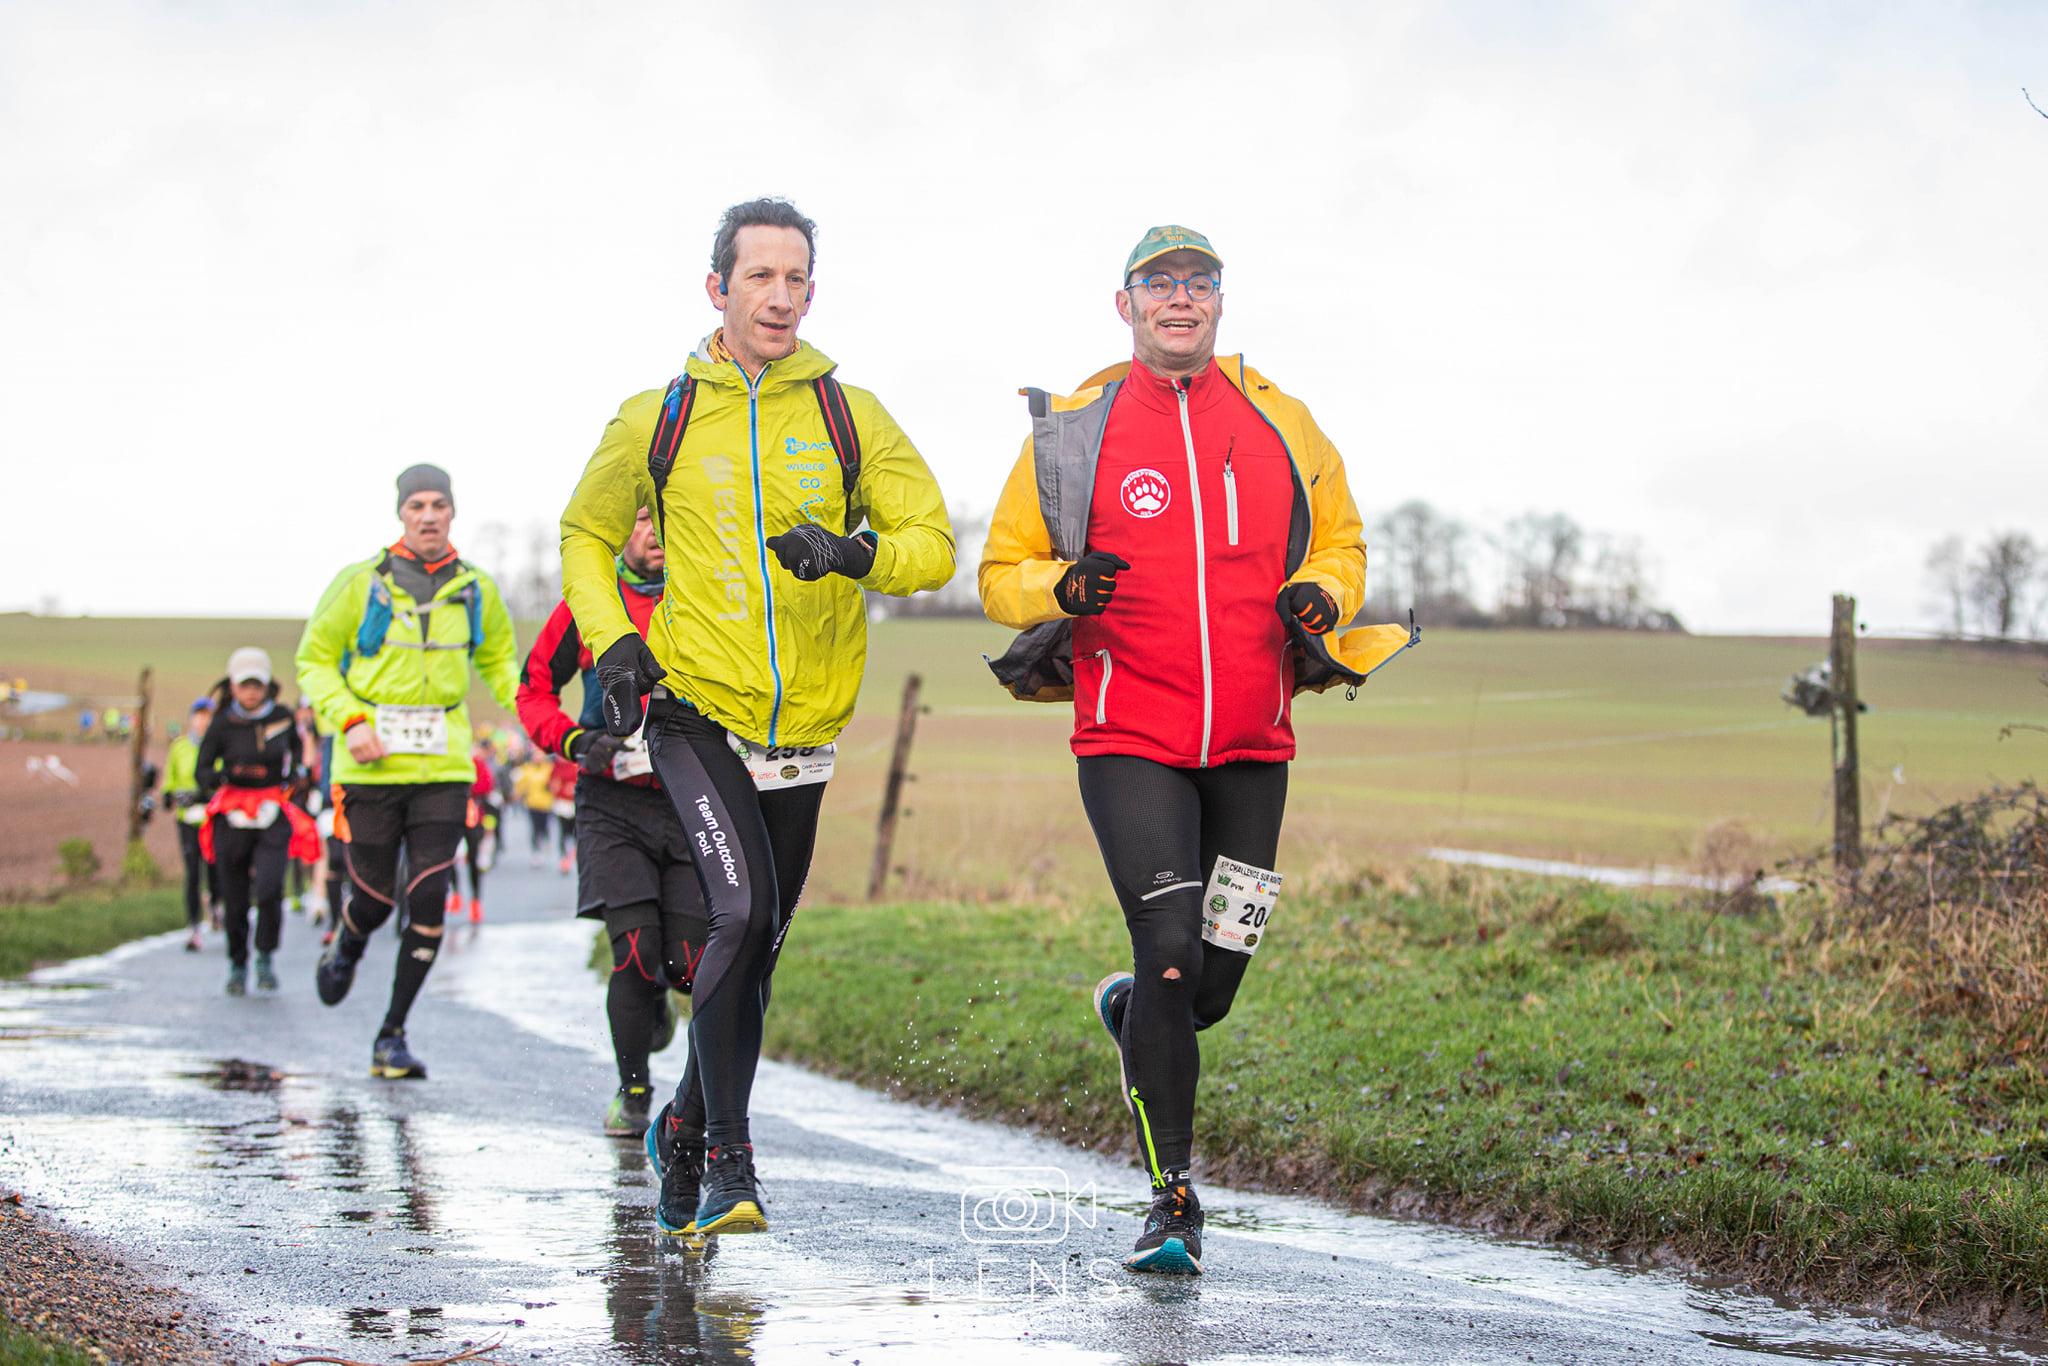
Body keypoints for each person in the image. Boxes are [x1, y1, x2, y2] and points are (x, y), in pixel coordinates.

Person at [980, 225, 1413, 1276]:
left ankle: (1136, 1013)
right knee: (1169, 944)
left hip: (1254, 739)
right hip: (1128, 733)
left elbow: (1341, 540)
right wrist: (1061, 587)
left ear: (1218, 303)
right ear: (1121, 304)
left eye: (1199, 283)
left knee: (1208, 982)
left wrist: (1325, 594)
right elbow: (1000, 572)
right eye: (1158, 283)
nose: (1180, 299)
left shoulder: (1278, 418)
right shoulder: (1075, 432)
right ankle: (1171, 1200)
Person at [559, 197, 955, 1235]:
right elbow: (582, 536)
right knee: (732, 917)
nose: (779, 297)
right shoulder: (658, 415)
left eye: (796, 280)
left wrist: (854, 551)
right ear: (716, 289)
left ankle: (681, 1128)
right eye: (759, 278)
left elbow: (931, 541)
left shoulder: (845, 413)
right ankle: (732, 1159)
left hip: (805, 734)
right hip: (698, 713)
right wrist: (613, 645)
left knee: (756, 950)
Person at [296, 463, 520, 1079]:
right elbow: (314, 661)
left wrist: (541, 712)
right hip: (368, 764)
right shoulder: (359, 583)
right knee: (372, 898)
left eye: (439, 504)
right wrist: (348, 721)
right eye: (417, 505)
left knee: (428, 896)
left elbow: (502, 664)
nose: (428, 515)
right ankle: (347, 943)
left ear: (453, 512)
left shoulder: (476, 588)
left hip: (443, 763)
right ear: (401, 513)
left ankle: (391, 1035)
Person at [519, 506, 703, 1137]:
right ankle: (633, 1094)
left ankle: (665, 1022)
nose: (654, 532)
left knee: (686, 965)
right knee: (631, 954)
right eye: (641, 520)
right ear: (622, 532)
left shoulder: (708, 598)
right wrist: (574, 742)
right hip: (612, 804)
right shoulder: (588, 604)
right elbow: (533, 691)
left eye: (665, 518)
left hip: (689, 801)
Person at [195, 649, 319, 995]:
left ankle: (265, 956)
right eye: (244, 685)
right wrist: (220, 783)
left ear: (267, 686)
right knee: (234, 896)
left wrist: (294, 780)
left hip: (271, 814)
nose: (251, 693)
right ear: (233, 686)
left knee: (268, 889)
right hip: (232, 816)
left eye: (257, 685)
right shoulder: (222, 722)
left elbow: (297, 757)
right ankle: (238, 964)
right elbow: (202, 768)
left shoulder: (282, 717)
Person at [161, 699, 221, 951]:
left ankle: (217, 905)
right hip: (187, 819)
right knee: (192, 872)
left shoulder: (218, 746)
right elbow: (170, 778)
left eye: (208, 716)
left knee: (215, 869)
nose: (203, 721)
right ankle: (193, 926)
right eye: (199, 716)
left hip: (213, 817)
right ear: (191, 719)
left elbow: (221, 778)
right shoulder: (180, 747)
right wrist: (170, 794)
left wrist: (203, 793)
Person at [512, 754, 555, 867]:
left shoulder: (549, 768)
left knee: (544, 826)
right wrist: (517, 794)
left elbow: (554, 783)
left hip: (546, 803)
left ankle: (545, 842)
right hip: (532, 803)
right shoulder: (527, 769)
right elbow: (521, 785)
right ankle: (536, 852)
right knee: (535, 828)